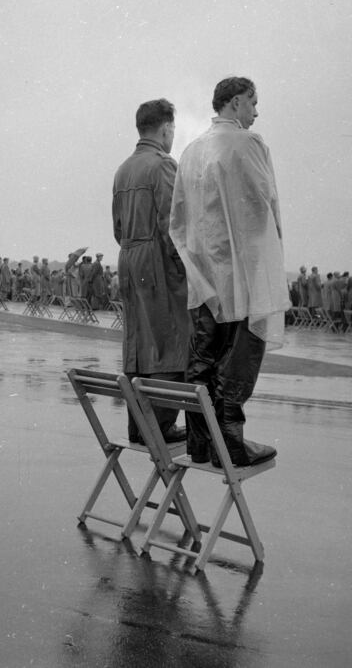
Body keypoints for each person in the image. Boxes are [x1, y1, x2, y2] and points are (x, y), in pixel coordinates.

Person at [170, 77, 289, 467]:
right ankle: (232, 443)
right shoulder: (248, 144)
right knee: (240, 351)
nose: (256, 112)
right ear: (236, 103)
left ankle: (201, 443)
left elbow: (180, 220)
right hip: (241, 269)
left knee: (204, 353)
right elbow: (264, 204)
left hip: (205, 274)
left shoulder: (190, 151)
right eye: (253, 103)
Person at [113, 98, 189, 444]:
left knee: (138, 342)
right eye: (173, 128)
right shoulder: (162, 166)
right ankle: (161, 425)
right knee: (170, 338)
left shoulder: (124, 169)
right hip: (157, 258)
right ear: (165, 128)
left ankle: (138, 425)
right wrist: (181, 270)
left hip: (129, 256)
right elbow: (173, 225)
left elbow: (117, 227)